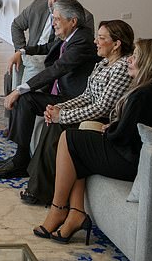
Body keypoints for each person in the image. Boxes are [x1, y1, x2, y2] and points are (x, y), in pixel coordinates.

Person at [34, 38, 152, 244]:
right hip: (139, 157)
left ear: (148, 63)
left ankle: (58, 209)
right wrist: (112, 128)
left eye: (135, 56)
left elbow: (122, 136)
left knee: (68, 139)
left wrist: (110, 129)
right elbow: (136, 127)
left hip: (130, 161)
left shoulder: (142, 95)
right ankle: (76, 213)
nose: (129, 60)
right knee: (80, 141)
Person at [20, 20, 134, 205]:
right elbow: (87, 96)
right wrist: (60, 108)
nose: (95, 41)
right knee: (52, 122)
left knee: (59, 126)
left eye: (101, 38)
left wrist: (62, 116)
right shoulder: (103, 63)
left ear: (116, 44)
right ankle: (38, 185)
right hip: (92, 112)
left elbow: (103, 107)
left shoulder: (121, 68)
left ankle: (41, 190)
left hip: (105, 121)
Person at [0, 0, 99, 178]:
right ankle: (19, 157)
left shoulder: (82, 42)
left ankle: (20, 161)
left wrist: (20, 89)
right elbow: (48, 47)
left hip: (73, 99)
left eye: (56, 19)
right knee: (24, 98)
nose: (53, 22)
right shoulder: (72, 34)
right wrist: (22, 51)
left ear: (73, 21)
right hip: (64, 93)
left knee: (25, 98)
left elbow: (57, 69)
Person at [10, 0, 95, 86]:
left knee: (33, 71)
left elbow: (76, 49)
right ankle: (15, 95)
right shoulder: (36, 6)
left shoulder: (84, 17)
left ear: (70, 0)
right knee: (19, 62)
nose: (52, 2)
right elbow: (16, 25)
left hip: (57, 57)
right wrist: (20, 49)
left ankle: (21, 95)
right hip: (35, 51)